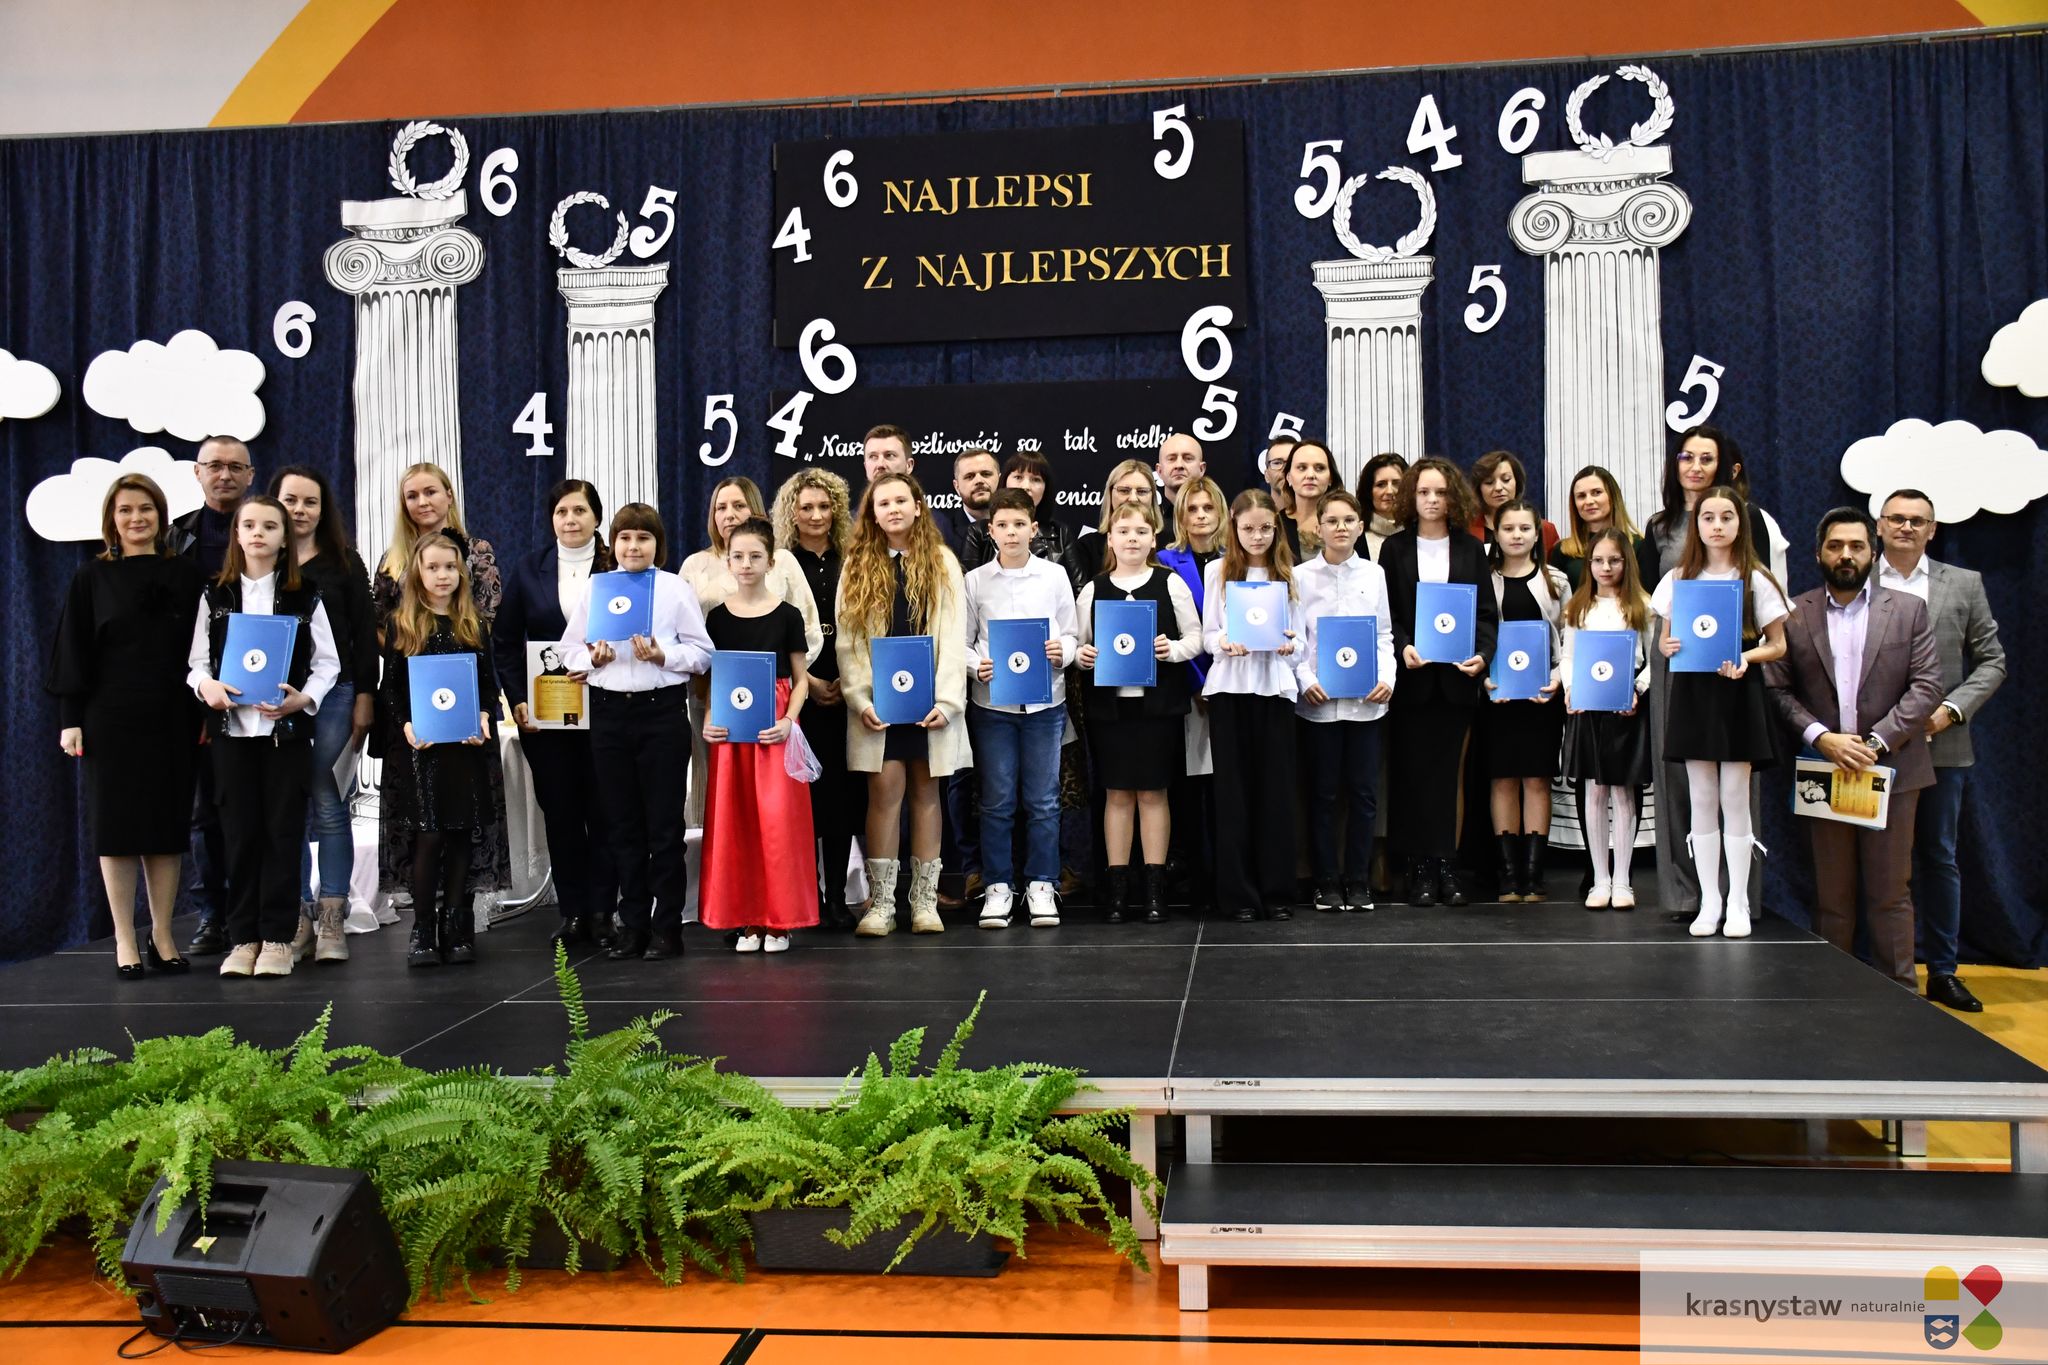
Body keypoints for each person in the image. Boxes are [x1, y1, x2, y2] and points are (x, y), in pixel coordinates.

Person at [1765, 508, 1941, 986]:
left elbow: (1927, 685)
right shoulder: (1793, 614)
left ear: (1873, 552)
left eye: (1857, 546)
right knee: (1832, 897)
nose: (1846, 554)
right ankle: (1833, 995)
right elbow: (1776, 690)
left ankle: (1901, 994)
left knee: (1890, 894)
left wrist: (1875, 743)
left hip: (1893, 771)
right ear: (1818, 553)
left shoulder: (1908, 610)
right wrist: (1822, 738)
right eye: (1835, 546)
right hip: (1825, 772)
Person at [48, 474, 205, 979]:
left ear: (161, 516)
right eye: (125, 510)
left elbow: (204, 652)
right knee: (116, 830)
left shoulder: (187, 574)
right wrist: (70, 721)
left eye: (146, 509)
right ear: (111, 521)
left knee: (165, 829)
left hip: (173, 716)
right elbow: (72, 651)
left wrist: (205, 713)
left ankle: (162, 934)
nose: (136, 518)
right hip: (109, 718)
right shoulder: (90, 577)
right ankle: (123, 938)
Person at [185, 494, 340, 978]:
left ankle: (277, 937)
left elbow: (328, 664)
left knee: (283, 833)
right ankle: (242, 938)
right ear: (236, 534)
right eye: (249, 525)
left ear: (284, 538)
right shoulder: (215, 596)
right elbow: (196, 664)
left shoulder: (304, 595)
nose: (258, 533)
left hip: (284, 736)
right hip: (231, 736)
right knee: (239, 835)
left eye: (269, 526)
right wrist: (208, 687)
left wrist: (303, 699)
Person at [1644, 427, 1789, 920]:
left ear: (1740, 523)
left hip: (1737, 692)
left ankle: (1740, 901)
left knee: (1735, 797)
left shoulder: (1756, 577)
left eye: (1727, 517)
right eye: (1708, 518)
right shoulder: (1676, 577)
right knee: (1700, 796)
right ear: (1697, 526)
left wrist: (1748, 658)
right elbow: (1664, 638)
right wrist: (1667, 645)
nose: (1717, 525)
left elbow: (1778, 643)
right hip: (1691, 692)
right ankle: (1708, 900)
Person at [563, 503, 714, 961]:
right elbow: (569, 652)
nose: (633, 546)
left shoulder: (674, 589)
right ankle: (633, 926)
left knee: (664, 828)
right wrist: (592, 660)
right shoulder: (596, 588)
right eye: (625, 538)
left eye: (643, 538)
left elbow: (702, 653)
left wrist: (662, 656)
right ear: (613, 544)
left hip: (660, 713)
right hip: (609, 715)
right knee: (621, 826)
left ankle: (667, 927)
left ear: (657, 544)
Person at [1875, 489, 2007, 1012]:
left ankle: (1943, 972)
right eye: (1897, 518)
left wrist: (1950, 711)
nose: (1906, 527)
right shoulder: (1858, 580)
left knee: (1938, 856)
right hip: (1872, 747)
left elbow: (1993, 661)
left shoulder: (1964, 584)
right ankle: (1879, 967)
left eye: (1918, 520)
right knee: (1879, 861)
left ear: (1933, 530)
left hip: (1942, 746)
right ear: (1879, 526)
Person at [837, 472, 971, 937]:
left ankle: (925, 902)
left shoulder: (942, 561)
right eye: (883, 503)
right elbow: (849, 642)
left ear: (918, 506)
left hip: (930, 703)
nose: (893, 509)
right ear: (872, 514)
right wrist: (860, 698)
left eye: (901, 501)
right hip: (880, 706)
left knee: (927, 794)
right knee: (883, 794)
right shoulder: (857, 565)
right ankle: (882, 904)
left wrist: (948, 700)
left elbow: (953, 636)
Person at [371, 462, 508, 912]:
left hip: (465, 716)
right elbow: (384, 635)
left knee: (464, 823)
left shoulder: (477, 552)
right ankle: (423, 922)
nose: (422, 502)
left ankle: (461, 917)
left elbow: (482, 634)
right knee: (423, 826)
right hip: (416, 720)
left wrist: (473, 707)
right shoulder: (392, 561)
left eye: (431, 491)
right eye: (412, 495)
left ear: (449, 495)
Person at [496, 479, 618, 947]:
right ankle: (573, 913)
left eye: (580, 511)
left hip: (606, 710)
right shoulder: (529, 569)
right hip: (547, 717)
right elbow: (505, 642)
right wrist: (517, 698)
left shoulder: (617, 566)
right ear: (551, 519)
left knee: (605, 813)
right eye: (562, 511)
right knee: (562, 814)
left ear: (597, 517)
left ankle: (604, 912)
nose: (570, 520)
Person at [267, 467, 378, 966]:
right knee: (286, 804)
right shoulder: (262, 560)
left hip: (337, 694)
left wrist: (365, 695)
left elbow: (363, 633)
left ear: (323, 509)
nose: (299, 510)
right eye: (290, 500)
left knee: (330, 803)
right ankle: (296, 916)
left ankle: (332, 914)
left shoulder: (344, 563)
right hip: (274, 698)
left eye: (310, 502)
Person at [1075, 497, 1200, 924]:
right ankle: (1117, 888)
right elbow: (1079, 645)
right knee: (1117, 794)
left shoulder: (1170, 583)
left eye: (1141, 532)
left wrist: (1172, 649)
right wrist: (1083, 656)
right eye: (1124, 532)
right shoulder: (1094, 588)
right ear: (1109, 539)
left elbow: (1196, 637)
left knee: (1152, 792)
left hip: (1157, 707)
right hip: (1110, 710)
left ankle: (1154, 887)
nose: (1132, 539)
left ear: (1154, 539)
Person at [1379, 457, 1497, 907]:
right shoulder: (1394, 549)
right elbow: (1388, 614)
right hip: (1412, 681)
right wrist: (1404, 645)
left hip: (1456, 681)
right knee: (1412, 775)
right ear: (1411, 497)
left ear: (1454, 498)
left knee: (1451, 776)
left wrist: (1482, 655)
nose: (1432, 500)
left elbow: (1485, 614)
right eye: (1424, 492)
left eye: (1441, 492)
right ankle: (1419, 868)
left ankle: (1447, 865)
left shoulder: (1471, 548)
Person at [700, 517, 819, 952]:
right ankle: (747, 919)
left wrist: (789, 721)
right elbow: (713, 680)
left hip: (774, 729)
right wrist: (710, 717)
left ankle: (779, 921)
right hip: (733, 733)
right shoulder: (717, 618)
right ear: (727, 562)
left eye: (755, 556)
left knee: (778, 824)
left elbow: (801, 681)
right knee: (738, 823)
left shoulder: (787, 615)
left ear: (771, 561)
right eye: (738, 556)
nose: (746, 563)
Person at [381, 532, 498, 968]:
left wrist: (483, 716)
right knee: (428, 837)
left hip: (464, 750)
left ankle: (456, 925)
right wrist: (407, 725)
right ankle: (423, 928)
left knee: (461, 834)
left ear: (462, 572)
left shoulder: (473, 625)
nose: (442, 575)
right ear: (417, 573)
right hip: (423, 752)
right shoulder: (404, 625)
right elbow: (391, 689)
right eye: (432, 567)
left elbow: (487, 687)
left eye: (450, 567)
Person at [680, 476, 824, 827]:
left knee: (775, 801)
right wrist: (710, 705)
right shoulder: (697, 570)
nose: (729, 514)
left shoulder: (784, 568)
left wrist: (784, 693)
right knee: (725, 793)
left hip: (776, 701)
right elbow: (692, 642)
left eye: (738, 505)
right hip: (718, 701)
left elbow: (806, 636)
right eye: (721, 507)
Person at [964, 489, 1079, 929]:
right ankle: (998, 885)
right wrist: (977, 666)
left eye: (1019, 525)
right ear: (990, 531)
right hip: (993, 706)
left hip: (1046, 704)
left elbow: (1072, 633)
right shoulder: (975, 581)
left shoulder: (1054, 576)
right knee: (996, 800)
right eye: (1002, 525)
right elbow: (963, 642)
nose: (1011, 533)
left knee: (1044, 800)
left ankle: (1042, 883)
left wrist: (1063, 650)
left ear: (1034, 529)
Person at [170, 435, 256, 956]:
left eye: (235, 467)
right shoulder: (175, 536)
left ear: (250, 475)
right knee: (205, 811)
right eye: (214, 466)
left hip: (261, 690)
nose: (225, 475)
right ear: (197, 472)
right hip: (194, 689)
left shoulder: (267, 528)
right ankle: (212, 914)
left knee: (257, 809)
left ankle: (261, 912)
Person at [1202, 489, 1304, 922]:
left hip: (1274, 692)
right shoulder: (1217, 572)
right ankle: (1239, 894)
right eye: (1248, 528)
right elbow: (1208, 635)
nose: (1257, 536)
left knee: (1275, 794)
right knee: (1233, 796)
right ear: (1234, 526)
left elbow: (1301, 641)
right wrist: (1226, 642)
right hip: (1230, 691)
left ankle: (1276, 891)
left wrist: (1290, 646)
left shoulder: (1289, 575)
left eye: (1265, 528)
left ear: (1276, 528)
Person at [1292, 489, 1395, 913]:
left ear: (1360, 526)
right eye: (1332, 521)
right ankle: (1326, 882)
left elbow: (1384, 634)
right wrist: (1305, 679)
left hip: (1366, 704)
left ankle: (1358, 880)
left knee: (1364, 795)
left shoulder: (1374, 574)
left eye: (1349, 520)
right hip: (1319, 704)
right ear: (1318, 528)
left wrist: (1387, 677)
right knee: (1323, 795)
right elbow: (1296, 639)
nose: (1340, 528)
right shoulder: (1299, 576)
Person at [775, 468, 864, 930]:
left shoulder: (853, 558)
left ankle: (837, 900)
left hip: (848, 689)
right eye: (806, 507)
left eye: (825, 506)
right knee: (804, 799)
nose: (816, 515)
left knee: (842, 800)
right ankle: (807, 896)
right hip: (800, 694)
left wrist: (848, 681)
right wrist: (807, 681)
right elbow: (776, 631)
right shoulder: (780, 563)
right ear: (791, 512)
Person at [1559, 528, 1655, 909]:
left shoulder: (1642, 605)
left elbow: (1652, 659)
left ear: (1626, 561)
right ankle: (1600, 879)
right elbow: (1568, 656)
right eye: (1598, 560)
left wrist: (1638, 689)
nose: (1606, 567)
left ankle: (1623, 880)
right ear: (1589, 563)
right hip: (1589, 709)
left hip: (1625, 709)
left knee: (1622, 791)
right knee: (1594, 792)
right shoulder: (1578, 607)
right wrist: (1571, 688)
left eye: (1614, 560)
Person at [1482, 499, 1568, 902]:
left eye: (1524, 528)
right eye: (1508, 528)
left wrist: (1557, 678)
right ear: (1495, 534)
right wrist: (1485, 679)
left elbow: (1568, 639)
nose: (1516, 535)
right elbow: (1476, 635)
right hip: (1497, 695)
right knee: (1502, 778)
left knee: (1536, 779)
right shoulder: (1484, 579)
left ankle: (1533, 875)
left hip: (1541, 696)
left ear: (1538, 534)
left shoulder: (1556, 581)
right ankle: (1508, 873)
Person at [1159, 475, 1227, 911]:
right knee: (1187, 789)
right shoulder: (1165, 561)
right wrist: (1200, 684)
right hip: (1186, 689)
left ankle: (1224, 874)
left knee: (1224, 788)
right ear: (1179, 516)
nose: (1201, 516)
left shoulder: (1236, 558)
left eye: (1208, 508)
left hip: (1232, 686)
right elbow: (1176, 633)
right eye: (1192, 509)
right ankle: (1194, 878)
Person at [1552, 465, 1659, 591]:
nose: (1589, 501)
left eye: (1596, 493)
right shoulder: (1562, 551)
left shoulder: (1638, 545)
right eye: (1581, 496)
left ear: (1612, 496)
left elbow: (1648, 595)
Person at [961, 450, 1069, 572]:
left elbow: (1076, 583)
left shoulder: (1060, 533)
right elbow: (968, 581)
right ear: (1004, 481)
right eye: (1018, 477)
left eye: (1036, 479)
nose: (1026, 486)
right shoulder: (978, 532)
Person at [1466, 449, 1560, 558]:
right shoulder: (1466, 530)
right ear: (1479, 489)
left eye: (1506, 480)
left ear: (1517, 482)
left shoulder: (1545, 529)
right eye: (1489, 482)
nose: (1498, 488)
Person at [1278, 439, 1343, 561]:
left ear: (1330, 478)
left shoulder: (1348, 521)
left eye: (1319, 468)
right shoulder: (1275, 523)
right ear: (1289, 477)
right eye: (1302, 468)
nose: (1310, 475)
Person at [935, 447, 1000, 559]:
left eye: (986, 474)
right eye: (969, 476)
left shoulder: (1019, 527)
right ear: (957, 486)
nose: (979, 481)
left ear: (999, 479)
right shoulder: (942, 535)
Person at [1156, 431, 1206, 543]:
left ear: (1201, 469)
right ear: (1159, 471)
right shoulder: (1148, 523)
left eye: (1188, 458)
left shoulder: (1221, 521)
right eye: (1171, 459)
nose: (1179, 465)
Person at [1360, 453, 1408, 561]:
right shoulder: (1355, 536)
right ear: (1368, 491)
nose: (1390, 491)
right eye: (1381, 484)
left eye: (1396, 483)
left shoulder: (1419, 533)